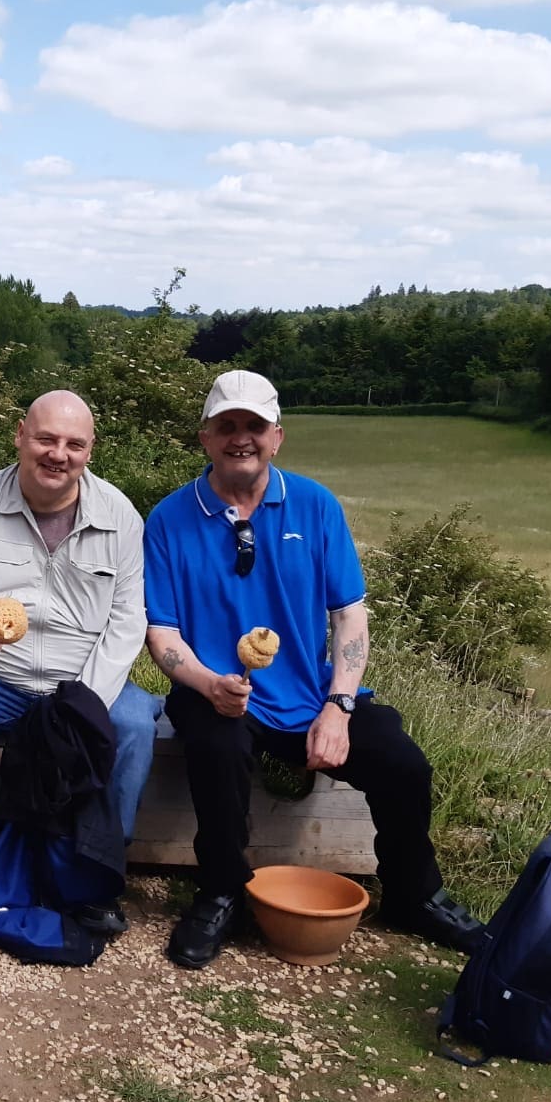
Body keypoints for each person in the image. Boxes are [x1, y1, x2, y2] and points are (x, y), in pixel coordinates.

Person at [143, 369, 486, 969]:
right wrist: (206, 682)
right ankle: (223, 889)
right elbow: (163, 632)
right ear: (205, 436)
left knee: (403, 763)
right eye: (227, 426)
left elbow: (350, 618)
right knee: (214, 744)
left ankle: (414, 893)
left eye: (254, 426)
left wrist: (339, 706)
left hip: (309, 694)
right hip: (217, 691)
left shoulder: (316, 506)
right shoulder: (169, 519)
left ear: (278, 436)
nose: (240, 438)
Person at [0, 390, 159, 935]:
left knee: (134, 727)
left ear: (90, 450)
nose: (58, 454)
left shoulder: (119, 514)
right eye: (46, 438)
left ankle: (96, 863)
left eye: (74, 444)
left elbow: (128, 617)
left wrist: (88, 698)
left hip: (83, 676)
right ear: (21, 435)